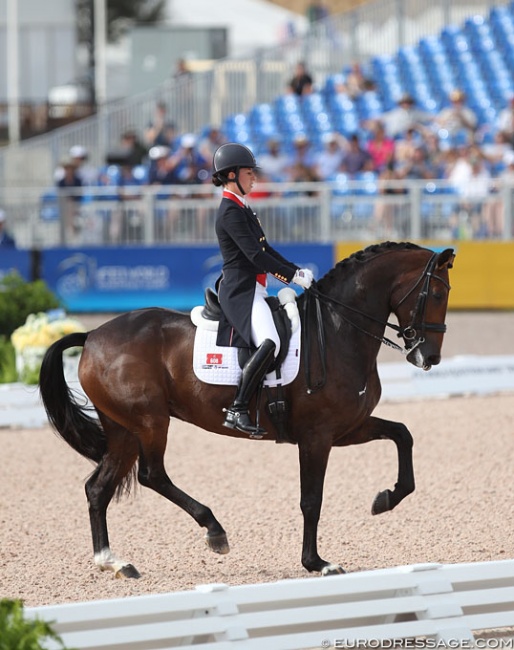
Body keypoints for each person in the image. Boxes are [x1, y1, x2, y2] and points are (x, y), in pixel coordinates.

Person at [212, 143, 314, 436]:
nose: (254, 178)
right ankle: (238, 408)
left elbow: (265, 249)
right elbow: (255, 257)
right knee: (271, 341)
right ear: (231, 175)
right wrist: (292, 277)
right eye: (248, 173)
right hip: (240, 292)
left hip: (255, 289)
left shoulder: (243, 208)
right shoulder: (230, 211)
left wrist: (297, 270)